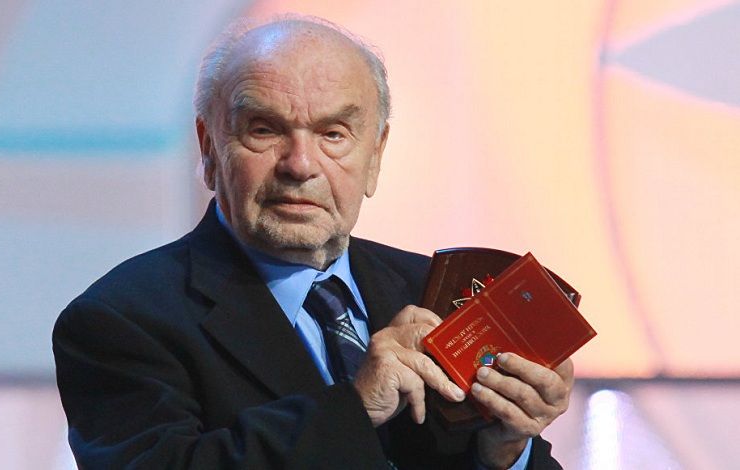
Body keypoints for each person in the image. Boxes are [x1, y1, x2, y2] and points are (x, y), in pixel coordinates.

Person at [53, 15, 573, 469]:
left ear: (375, 155)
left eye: (333, 134)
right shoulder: (121, 320)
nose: (300, 165)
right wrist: (356, 407)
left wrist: (505, 450)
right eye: (264, 130)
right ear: (210, 148)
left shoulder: (431, 292)